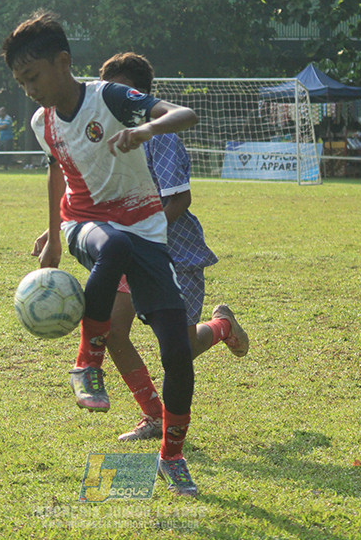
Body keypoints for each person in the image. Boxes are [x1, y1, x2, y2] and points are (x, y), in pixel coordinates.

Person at [3, 10, 201, 497]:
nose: (28, 89)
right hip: (85, 225)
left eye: (32, 76)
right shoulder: (40, 121)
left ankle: (171, 458)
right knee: (111, 245)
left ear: (63, 62)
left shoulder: (109, 97)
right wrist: (53, 236)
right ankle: (86, 363)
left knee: (178, 355)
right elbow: (56, 173)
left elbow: (184, 115)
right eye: (20, 81)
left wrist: (145, 131)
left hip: (148, 232)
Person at [98, 52, 249, 443]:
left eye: (116, 92)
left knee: (178, 350)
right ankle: (152, 415)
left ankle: (221, 326)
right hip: (130, 253)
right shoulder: (105, 138)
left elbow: (179, 201)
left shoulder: (160, 135)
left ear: (136, 95)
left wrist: (147, 234)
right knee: (112, 331)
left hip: (173, 254)